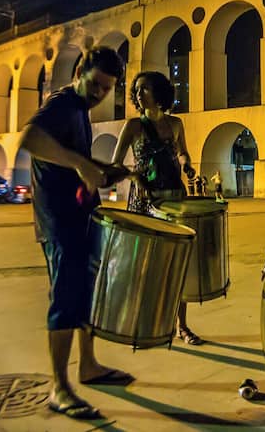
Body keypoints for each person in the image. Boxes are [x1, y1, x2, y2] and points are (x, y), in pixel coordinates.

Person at [18, 46, 132, 420]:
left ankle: (89, 366)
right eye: (96, 83)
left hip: (82, 216)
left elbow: (77, 164)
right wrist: (83, 164)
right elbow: (31, 139)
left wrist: (108, 171)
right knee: (65, 300)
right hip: (59, 220)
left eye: (108, 88)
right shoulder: (63, 103)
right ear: (80, 71)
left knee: (87, 295)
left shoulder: (81, 112)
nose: (101, 93)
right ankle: (58, 387)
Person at [110, 71, 203, 345]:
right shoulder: (133, 126)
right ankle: (144, 323)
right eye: (136, 90)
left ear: (159, 92)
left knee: (179, 262)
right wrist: (133, 176)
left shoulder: (175, 124)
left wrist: (187, 163)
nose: (139, 94)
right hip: (144, 201)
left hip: (174, 196)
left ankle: (181, 326)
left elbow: (182, 151)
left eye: (145, 88)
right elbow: (116, 164)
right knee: (145, 265)